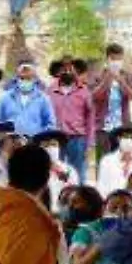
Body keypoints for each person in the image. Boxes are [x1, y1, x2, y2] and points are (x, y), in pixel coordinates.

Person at [46, 56, 95, 184]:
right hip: (55, 140)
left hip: (78, 140)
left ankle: (81, 200)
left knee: (78, 175)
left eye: (70, 68)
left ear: (75, 70)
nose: (67, 71)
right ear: (58, 71)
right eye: (64, 68)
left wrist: (89, 143)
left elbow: (90, 119)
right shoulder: (49, 91)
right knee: (55, 175)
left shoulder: (84, 91)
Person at [90, 43, 132, 161]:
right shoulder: (98, 76)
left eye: (119, 59)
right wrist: (107, 79)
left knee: (121, 161)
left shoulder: (128, 76)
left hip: (122, 128)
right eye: (113, 59)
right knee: (102, 162)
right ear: (107, 59)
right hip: (102, 129)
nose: (116, 62)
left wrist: (121, 81)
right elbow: (93, 96)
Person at [0, 60, 57, 138]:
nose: (25, 81)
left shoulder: (43, 98)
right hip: (10, 145)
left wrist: (39, 139)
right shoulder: (5, 98)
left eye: (28, 78)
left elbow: (50, 125)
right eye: (22, 78)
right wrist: (4, 138)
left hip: (35, 146)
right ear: (17, 78)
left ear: (35, 79)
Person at [35, 129, 79, 211]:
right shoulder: (33, 170)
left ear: (59, 147)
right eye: (45, 145)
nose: (50, 148)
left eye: (54, 144)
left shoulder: (69, 170)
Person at [97, 126, 132, 197]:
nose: (128, 140)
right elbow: (102, 185)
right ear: (118, 139)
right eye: (125, 137)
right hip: (111, 201)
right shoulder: (107, 160)